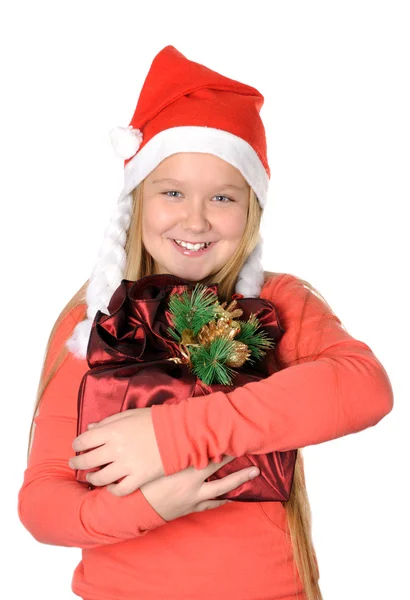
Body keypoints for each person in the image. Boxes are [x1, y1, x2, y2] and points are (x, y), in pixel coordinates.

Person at [17, 45, 393, 600]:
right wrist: (149, 505)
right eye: (172, 192)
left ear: (252, 210)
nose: (195, 218)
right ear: (137, 202)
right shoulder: (91, 320)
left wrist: (170, 438)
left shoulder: (280, 303)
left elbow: (365, 388)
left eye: (222, 196)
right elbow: (43, 505)